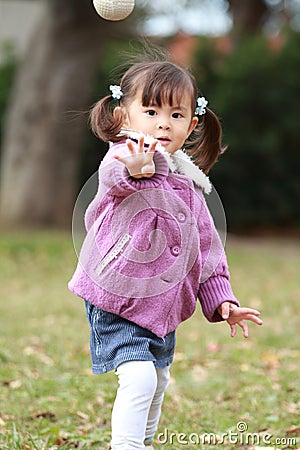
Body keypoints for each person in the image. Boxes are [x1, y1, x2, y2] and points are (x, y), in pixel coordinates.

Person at [68, 55, 263, 450]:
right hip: (117, 299)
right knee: (139, 376)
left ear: (191, 125)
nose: (162, 123)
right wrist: (137, 165)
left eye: (176, 114)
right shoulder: (125, 157)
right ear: (124, 116)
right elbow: (114, 177)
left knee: (157, 378)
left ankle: (145, 441)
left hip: (161, 307)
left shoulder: (190, 187)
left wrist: (222, 300)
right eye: (151, 110)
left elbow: (206, 251)